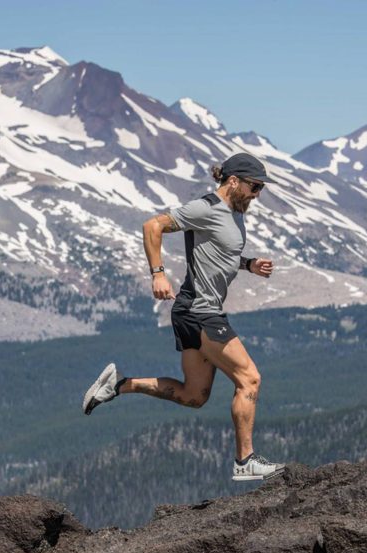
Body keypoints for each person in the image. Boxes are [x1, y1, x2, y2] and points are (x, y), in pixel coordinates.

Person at [82, 152, 285, 481]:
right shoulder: (206, 207)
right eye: (255, 186)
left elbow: (219, 253)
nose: (258, 194)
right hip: (200, 311)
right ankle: (245, 461)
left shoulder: (234, 213)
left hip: (194, 311)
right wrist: (158, 273)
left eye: (261, 188)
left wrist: (248, 265)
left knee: (194, 395)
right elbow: (153, 225)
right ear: (233, 181)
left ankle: (118, 386)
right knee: (250, 379)